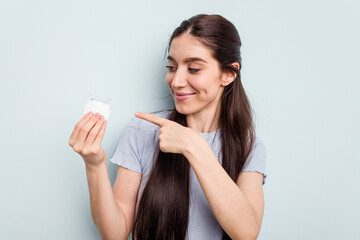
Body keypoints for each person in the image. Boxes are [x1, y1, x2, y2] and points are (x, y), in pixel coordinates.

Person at [69, 13, 267, 240]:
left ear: (228, 74)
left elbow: (247, 233)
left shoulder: (249, 147)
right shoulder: (142, 131)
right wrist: (94, 165)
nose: (176, 81)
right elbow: (115, 234)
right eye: (172, 67)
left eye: (193, 69)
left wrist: (195, 146)